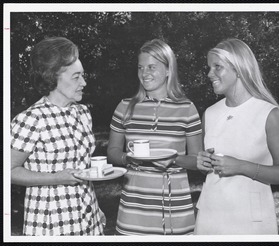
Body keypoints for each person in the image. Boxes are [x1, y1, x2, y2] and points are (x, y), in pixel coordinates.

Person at [11, 37, 106, 236]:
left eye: (83, 75)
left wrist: (96, 208)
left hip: (90, 218)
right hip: (52, 221)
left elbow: (82, 170)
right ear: (53, 77)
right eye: (76, 76)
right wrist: (55, 178)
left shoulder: (82, 113)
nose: (84, 82)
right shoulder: (30, 119)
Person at [194, 38, 279, 235]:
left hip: (251, 222)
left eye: (217, 67)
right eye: (209, 67)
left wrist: (241, 167)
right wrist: (203, 163)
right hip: (208, 218)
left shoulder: (269, 114)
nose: (209, 74)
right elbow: (209, 170)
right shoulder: (209, 114)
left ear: (238, 69)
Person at [107, 39, 202, 235]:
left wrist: (173, 160)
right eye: (140, 67)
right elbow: (112, 152)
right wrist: (128, 158)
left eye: (152, 67)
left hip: (175, 207)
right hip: (133, 207)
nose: (144, 73)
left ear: (169, 70)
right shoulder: (124, 106)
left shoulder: (187, 108)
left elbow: (196, 160)